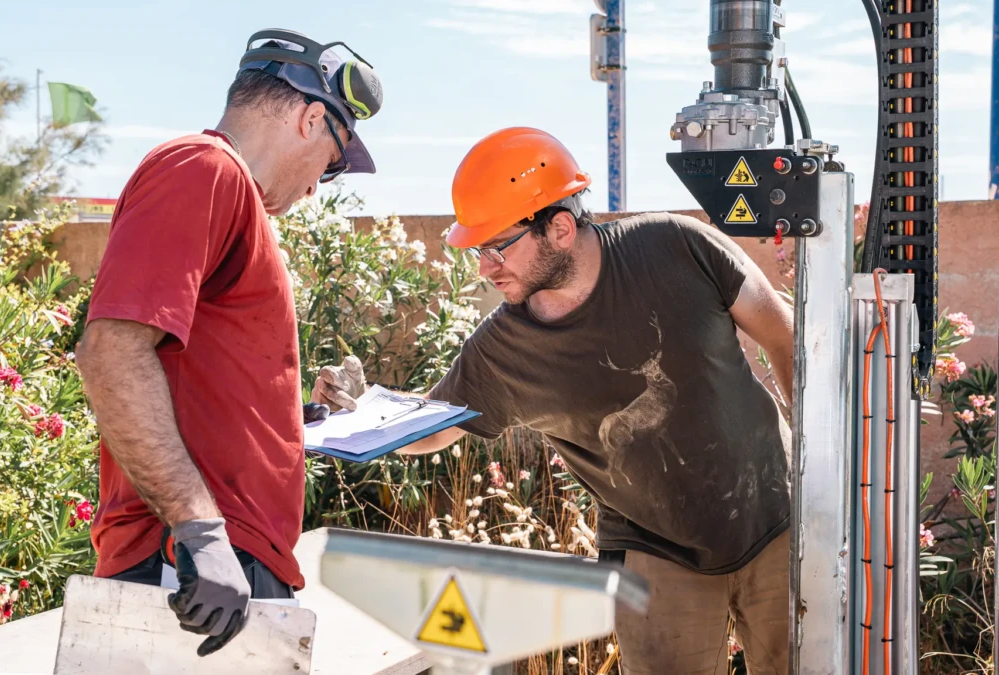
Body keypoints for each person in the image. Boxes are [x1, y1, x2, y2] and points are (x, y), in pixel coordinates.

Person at [312, 127, 793, 674]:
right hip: (657, 550)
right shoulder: (502, 350)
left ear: (560, 228)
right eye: (476, 250)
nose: (483, 268)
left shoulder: (678, 247)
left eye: (496, 248)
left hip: (777, 518)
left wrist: (820, 466)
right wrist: (360, 410)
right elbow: (434, 427)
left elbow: (783, 336)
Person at [76, 29, 382, 657]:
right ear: (311, 117)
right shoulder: (203, 169)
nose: (320, 186)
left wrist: (298, 415)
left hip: (217, 565)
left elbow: (200, 389)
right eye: (332, 161)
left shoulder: (227, 191)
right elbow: (112, 351)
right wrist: (199, 530)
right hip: (190, 568)